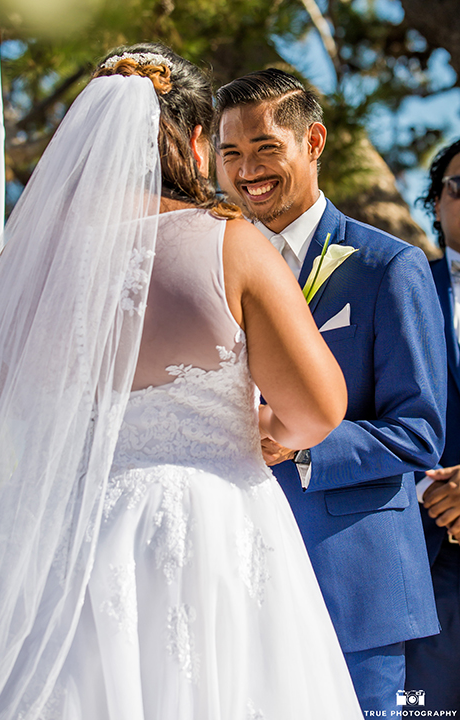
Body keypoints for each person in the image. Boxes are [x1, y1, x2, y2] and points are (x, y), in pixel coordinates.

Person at [0, 44, 364, 719]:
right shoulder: (229, 242)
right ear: (192, 139)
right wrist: (267, 430)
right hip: (200, 528)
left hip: (58, 536)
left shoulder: (24, 266)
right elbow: (317, 409)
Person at [215, 68, 447, 715]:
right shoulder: (215, 267)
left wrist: (299, 442)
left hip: (354, 580)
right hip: (235, 573)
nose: (247, 170)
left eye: (265, 147)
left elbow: (418, 430)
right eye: (230, 153)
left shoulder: (388, 266)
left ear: (313, 141)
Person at [405, 139, 460, 713]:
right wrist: (433, 487)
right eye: (459, 185)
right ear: (437, 202)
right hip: (426, 545)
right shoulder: (403, 278)